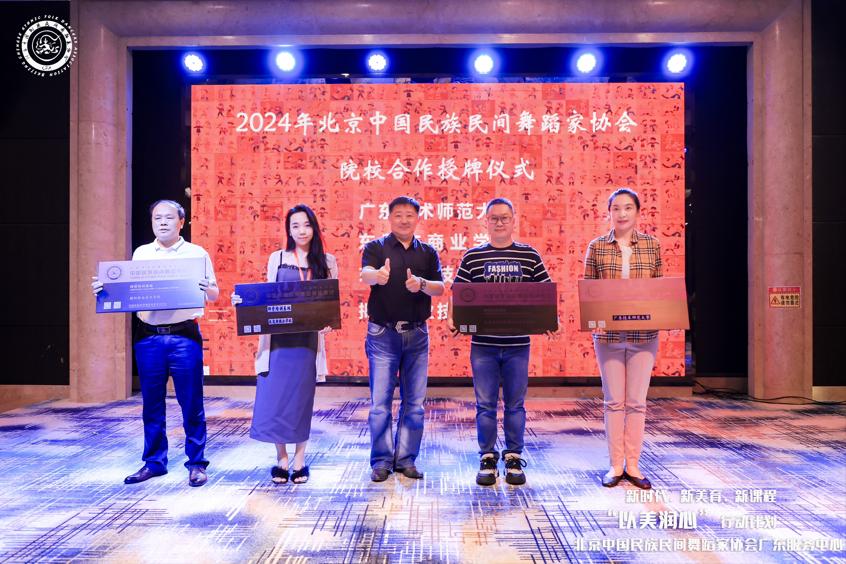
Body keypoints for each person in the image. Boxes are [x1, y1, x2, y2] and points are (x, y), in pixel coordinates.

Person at [92, 200, 219, 487]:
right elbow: (130, 291)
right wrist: (104, 290)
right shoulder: (142, 253)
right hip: (148, 337)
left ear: (181, 222)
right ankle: (154, 462)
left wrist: (206, 288)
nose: (162, 222)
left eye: (168, 218)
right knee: (151, 404)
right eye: (157, 218)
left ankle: (196, 464)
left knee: (191, 403)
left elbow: (214, 294)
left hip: (184, 336)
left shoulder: (196, 253)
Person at [449, 197, 554, 486]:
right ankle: (487, 457)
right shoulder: (473, 257)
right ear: (486, 221)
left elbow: (545, 293)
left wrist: (549, 320)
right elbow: (458, 293)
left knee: (515, 405)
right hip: (483, 345)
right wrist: (453, 318)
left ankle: (513, 458)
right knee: (485, 404)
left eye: (504, 218)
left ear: (513, 220)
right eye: (494, 218)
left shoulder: (529, 256)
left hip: (518, 345)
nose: (499, 223)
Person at [231, 204, 337, 485]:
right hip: (277, 342)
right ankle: (282, 458)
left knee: (301, 400)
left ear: (314, 228)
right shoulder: (277, 258)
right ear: (289, 230)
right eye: (295, 226)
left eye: (306, 225)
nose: (302, 231)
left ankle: (300, 459)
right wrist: (244, 302)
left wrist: (328, 322)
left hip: (307, 343)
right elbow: (267, 296)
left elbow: (330, 303)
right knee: (275, 398)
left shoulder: (327, 261)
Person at [360, 196, 444, 482]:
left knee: (415, 404)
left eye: (409, 215)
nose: (404, 220)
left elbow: (439, 288)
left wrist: (421, 284)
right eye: (398, 215)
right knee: (380, 404)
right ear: (389, 217)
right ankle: (381, 461)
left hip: (417, 335)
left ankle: (406, 459)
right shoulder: (375, 247)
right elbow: (365, 274)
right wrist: (378, 276)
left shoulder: (428, 252)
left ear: (417, 218)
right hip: (382, 334)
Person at [583, 188, 663, 490]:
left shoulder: (652, 245)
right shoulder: (597, 247)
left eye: (628, 208)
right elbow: (589, 291)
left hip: (644, 335)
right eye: (616, 208)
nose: (622, 213)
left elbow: (659, 290)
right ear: (609, 213)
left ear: (638, 212)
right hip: (609, 336)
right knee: (614, 401)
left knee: (637, 403)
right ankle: (616, 465)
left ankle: (634, 465)